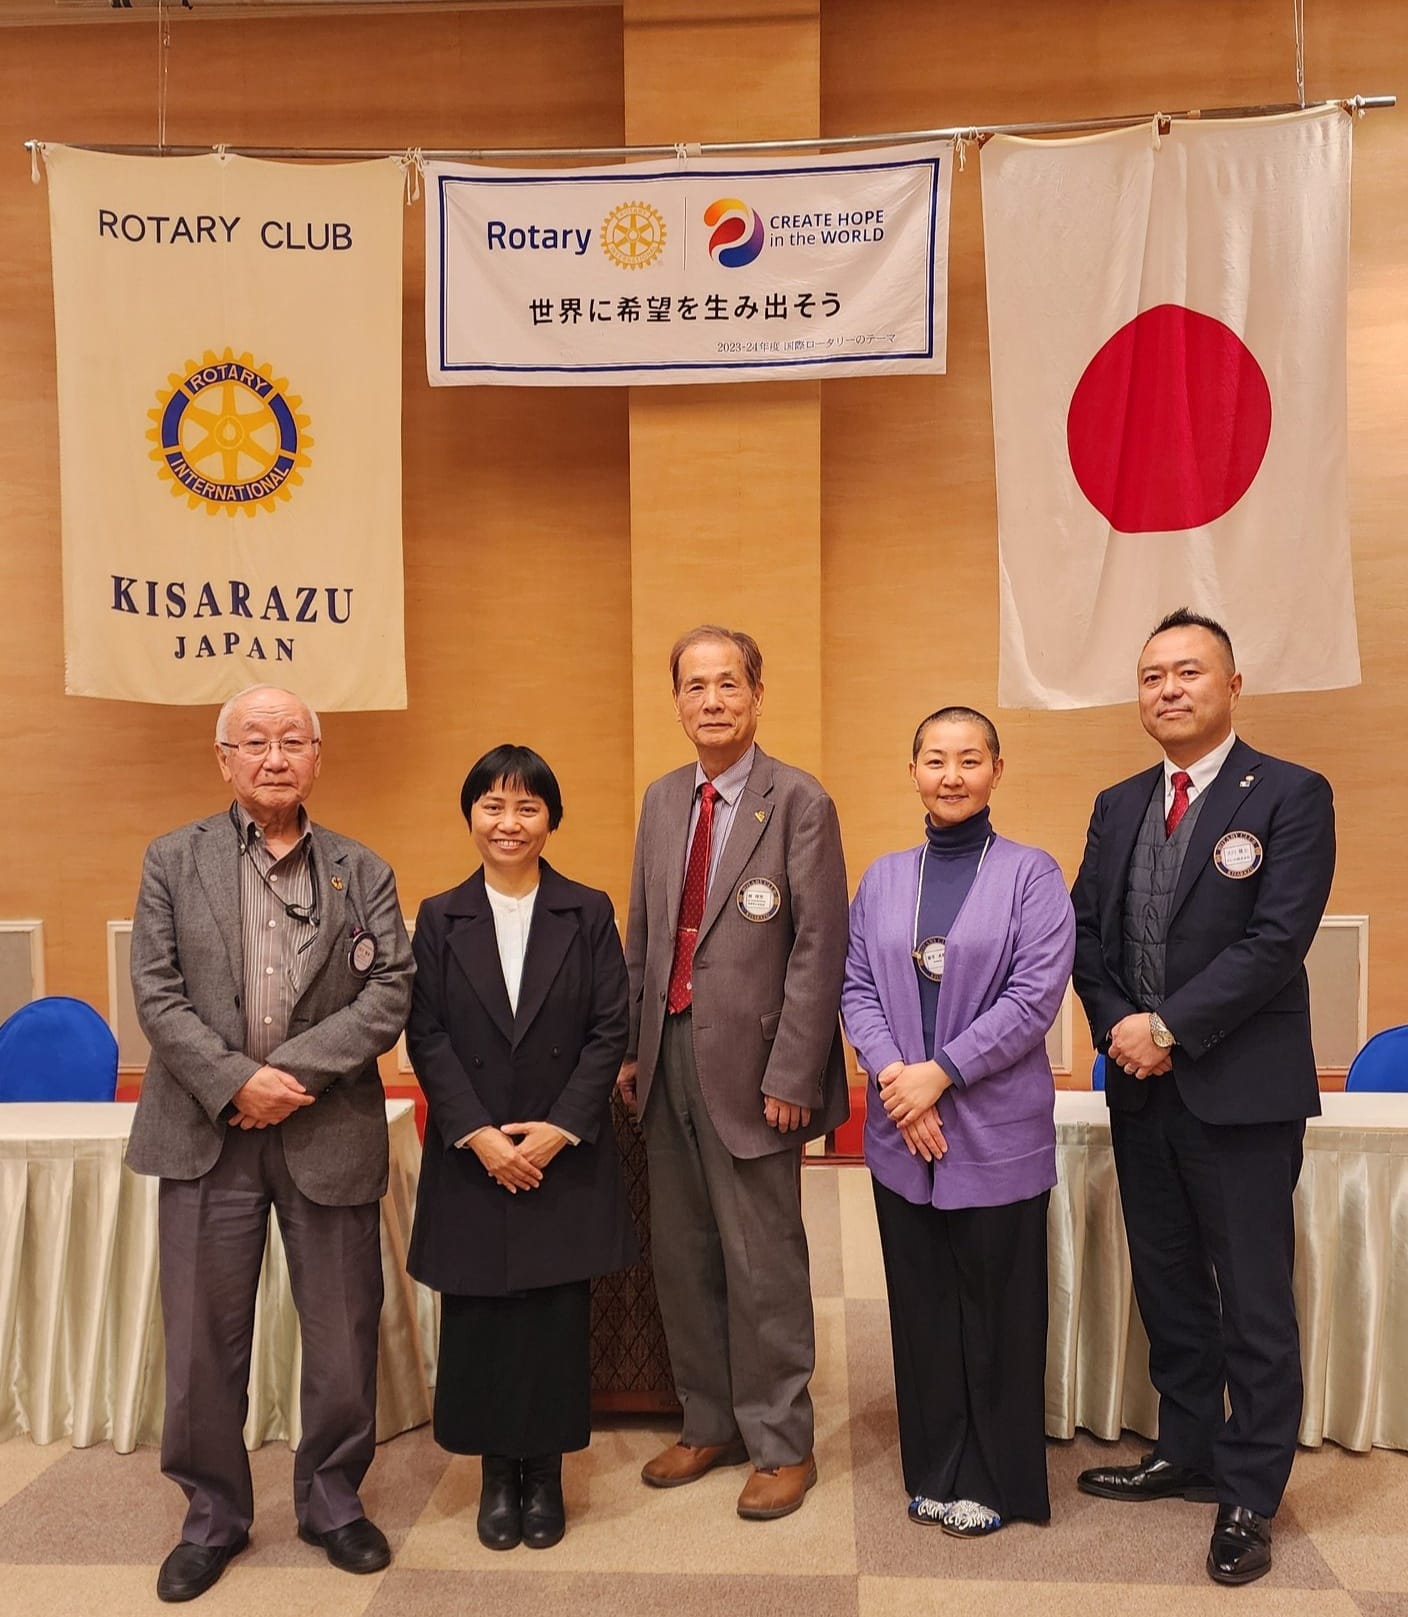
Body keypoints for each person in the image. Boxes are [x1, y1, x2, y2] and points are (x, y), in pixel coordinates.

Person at [127, 686, 414, 1604]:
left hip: (324, 1126)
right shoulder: (173, 859)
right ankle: (212, 1516)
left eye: (293, 739)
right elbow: (156, 991)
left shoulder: (362, 868)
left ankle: (333, 1502)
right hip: (204, 1131)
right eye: (254, 741)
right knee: (202, 1343)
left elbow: (390, 990)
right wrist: (233, 1082)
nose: (275, 756)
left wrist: (284, 1075)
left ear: (318, 756)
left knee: (342, 1336)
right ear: (223, 759)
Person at [1071, 608, 1336, 1587]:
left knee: (1253, 1302)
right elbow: (1087, 933)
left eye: (1187, 671)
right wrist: (1118, 1026)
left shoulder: (1291, 794)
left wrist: (1168, 1027)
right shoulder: (1118, 803)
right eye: (1151, 676)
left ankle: (1249, 1491)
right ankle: (1185, 1450)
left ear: (1232, 685)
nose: (1168, 689)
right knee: (1169, 1284)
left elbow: (1276, 941)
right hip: (1142, 1094)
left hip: (1241, 1094)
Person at [618, 625, 850, 1521]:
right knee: (683, 1254)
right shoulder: (661, 798)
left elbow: (819, 945)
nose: (711, 700)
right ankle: (707, 1419)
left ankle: (782, 1440)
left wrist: (795, 1070)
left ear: (756, 694)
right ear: (676, 701)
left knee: (763, 1261)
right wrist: (634, 1045)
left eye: (727, 683)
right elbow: (645, 931)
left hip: (758, 1069)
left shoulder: (799, 800)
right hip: (668, 1052)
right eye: (694, 685)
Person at [840, 706, 1074, 1539]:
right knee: (923, 1308)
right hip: (901, 1130)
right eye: (935, 759)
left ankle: (996, 1476)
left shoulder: (1032, 874)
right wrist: (897, 1079)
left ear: (996, 770)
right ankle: (936, 1464)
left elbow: (1034, 997)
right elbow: (856, 988)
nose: (951, 775)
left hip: (995, 1127)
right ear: (913, 771)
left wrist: (938, 1074)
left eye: (969, 759)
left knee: (998, 1310)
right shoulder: (882, 878)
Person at [406, 745, 636, 1552]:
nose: (509, 822)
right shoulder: (439, 915)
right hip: (472, 1151)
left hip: (557, 1151)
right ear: (471, 815)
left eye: (527, 807)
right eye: (493, 806)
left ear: (551, 819)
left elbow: (610, 1028)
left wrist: (558, 1128)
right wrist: (476, 1134)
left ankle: (545, 1475)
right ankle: (495, 1476)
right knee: (480, 1319)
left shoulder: (587, 909)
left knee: (551, 1320)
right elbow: (426, 1033)